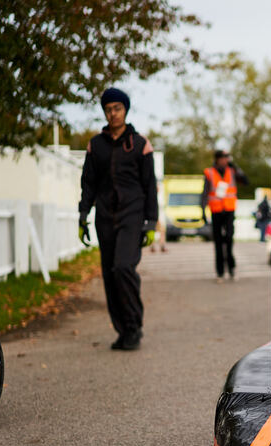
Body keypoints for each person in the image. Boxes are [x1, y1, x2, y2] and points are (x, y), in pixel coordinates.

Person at [78, 87, 158, 351]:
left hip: (132, 216)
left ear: (125, 110)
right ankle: (123, 331)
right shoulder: (96, 145)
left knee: (123, 268)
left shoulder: (140, 144)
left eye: (118, 108)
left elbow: (149, 186)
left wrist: (150, 222)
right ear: (105, 112)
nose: (113, 113)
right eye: (108, 109)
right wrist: (83, 216)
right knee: (110, 275)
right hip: (104, 217)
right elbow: (88, 183)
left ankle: (134, 326)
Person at [201, 150, 248, 280]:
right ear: (217, 159)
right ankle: (220, 272)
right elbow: (204, 193)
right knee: (218, 241)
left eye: (227, 158)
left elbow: (245, 181)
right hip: (216, 211)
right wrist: (202, 210)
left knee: (228, 239)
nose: (225, 160)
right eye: (223, 158)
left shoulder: (232, 171)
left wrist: (236, 167)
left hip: (229, 210)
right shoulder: (209, 172)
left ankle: (231, 267)